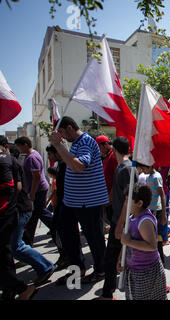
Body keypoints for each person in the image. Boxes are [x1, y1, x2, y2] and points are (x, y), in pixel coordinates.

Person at [49, 116, 109, 285]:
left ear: (69, 128)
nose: (60, 137)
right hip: (73, 201)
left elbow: (78, 166)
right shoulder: (76, 144)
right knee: (66, 231)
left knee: (94, 237)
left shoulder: (86, 142)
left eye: (61, 132)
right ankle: (77, 269)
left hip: (89, 201)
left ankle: (101, 269)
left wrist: (58, 146)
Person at [94, 136, 138, 300]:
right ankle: (109, 291)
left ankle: (108, 293)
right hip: (118, 219)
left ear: (114, 149)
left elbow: (129, 200)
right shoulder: (123, 166)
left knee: (112, 258)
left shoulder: (126, 169)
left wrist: (120, 225)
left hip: (122, 221)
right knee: (113, 258)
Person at [8, 144, 55, 287]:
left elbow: (35, 177)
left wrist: (33, 194)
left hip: (30, 199)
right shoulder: (26, 158)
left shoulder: (30, 158)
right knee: (40, 215)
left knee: (18, 243)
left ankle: (41, 262)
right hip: (28, 200)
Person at [0, 136, 37, 300]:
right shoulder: (14, 161)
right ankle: (11, 290)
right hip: (13, 211)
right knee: (7, 253)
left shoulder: (6, 161)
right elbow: (19, 186)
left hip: (8, 213)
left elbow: (11, 186)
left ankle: (22, 287)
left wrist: (33, 196)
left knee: (13, 248)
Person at [118, 183, 167, 300]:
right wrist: (121, 258)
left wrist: (129, 241)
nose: (125, 204)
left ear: (140, 203)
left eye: (128, 201)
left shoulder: (145, 221)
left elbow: (152, 245)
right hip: (133, 269)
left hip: (146, 272)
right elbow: (126, 243)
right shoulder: (131, 218)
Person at [14, 136, 54, 246]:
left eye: (19, 146)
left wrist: (32, 193)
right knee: (39, 213)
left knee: (36, 214)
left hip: (38, 190)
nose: (18, 149)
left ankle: (58, 228)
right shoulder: (33, 155)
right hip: (37, 189)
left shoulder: (32, 157)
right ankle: (57, 229)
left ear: (25, 145)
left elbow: (36, 177)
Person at [135, 163, 167, 266]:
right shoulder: (149, 177)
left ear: (149, 167)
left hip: (156, 210)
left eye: (144, 168)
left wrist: (164, 214)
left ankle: (161, 259)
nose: (143, 171)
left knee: (156, 236)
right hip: (150, 209)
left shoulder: (156, 177)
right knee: (153, 235)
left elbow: (162, 196)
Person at [45, 145, 69, 271]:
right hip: (61, 203)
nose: (49, 157)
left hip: (65, 203)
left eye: (50, 154)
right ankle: (65, 255)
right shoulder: (60, 164)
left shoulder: (65, 165)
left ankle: (67, 257)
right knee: (56, 230)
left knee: (61, 232)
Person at [95, 135, 118, 233]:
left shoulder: (113, 157)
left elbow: (116, 178)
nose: (99, 150)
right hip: (107, 197)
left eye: (99, 147)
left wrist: (111, 197)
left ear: (105, 145)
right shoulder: (106, 157)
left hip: (112, 198)